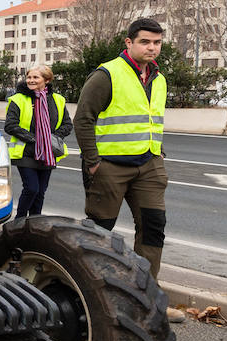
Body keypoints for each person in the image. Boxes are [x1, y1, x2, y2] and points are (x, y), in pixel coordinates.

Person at [75, 17, 182, 323]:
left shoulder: (159, 79)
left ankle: (149, 302)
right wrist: (93, 161)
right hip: (110, 167)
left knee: (153, 228)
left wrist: (156, 151)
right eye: (145, 42)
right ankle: (87, 297)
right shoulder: (107, 74)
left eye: (157, 42)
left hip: (148, 165)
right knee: (99, 232)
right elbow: (84, 119)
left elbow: (150, 119)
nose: (152, 48)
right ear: (129, 43)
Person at [4, 65, 71, 218]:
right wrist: (35, 139)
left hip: (48, 153)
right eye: (29, 77)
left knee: (40, 192)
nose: (31, 80)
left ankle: (35, 223)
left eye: (35, 77)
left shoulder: (58, 100)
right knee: (31, 188)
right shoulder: (18, 99)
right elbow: (10, 126)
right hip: (26, 153)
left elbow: (68, 124)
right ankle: (19, 221)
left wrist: (52, 139)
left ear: (46, 80)